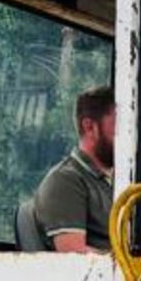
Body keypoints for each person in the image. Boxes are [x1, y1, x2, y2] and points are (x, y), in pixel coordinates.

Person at [33, 86, 117, 252]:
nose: (129, 136)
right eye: (118, 124)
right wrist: (132, 265)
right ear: (90, 127)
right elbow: (74, 256)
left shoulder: (120, 183)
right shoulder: (65, 182)